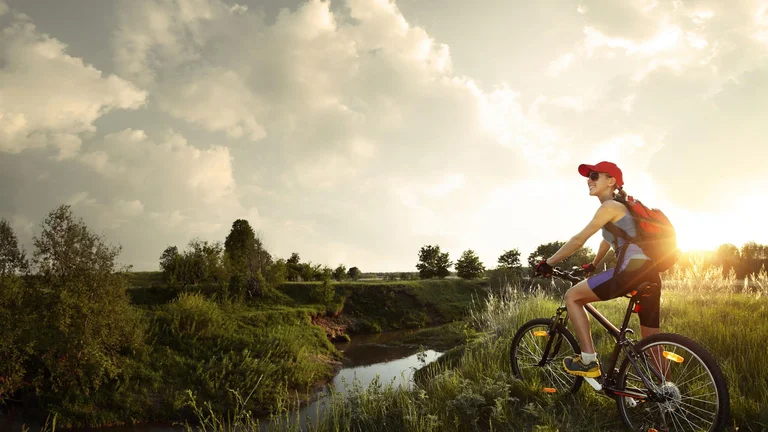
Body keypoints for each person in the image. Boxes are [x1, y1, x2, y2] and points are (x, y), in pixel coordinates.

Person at [533, 161, 661, 378]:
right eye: (588, 177)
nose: (589, 181)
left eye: (594, 176)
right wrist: (593, 264)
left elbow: (578, 240)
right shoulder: (623, 208)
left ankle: (588, 362)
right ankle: (666, 392)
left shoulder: (609, 207)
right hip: (650, 274)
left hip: (630, 271)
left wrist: (549, 263)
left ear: (611, 181)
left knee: (572, 297)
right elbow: (609, 241)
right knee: (652, 342)